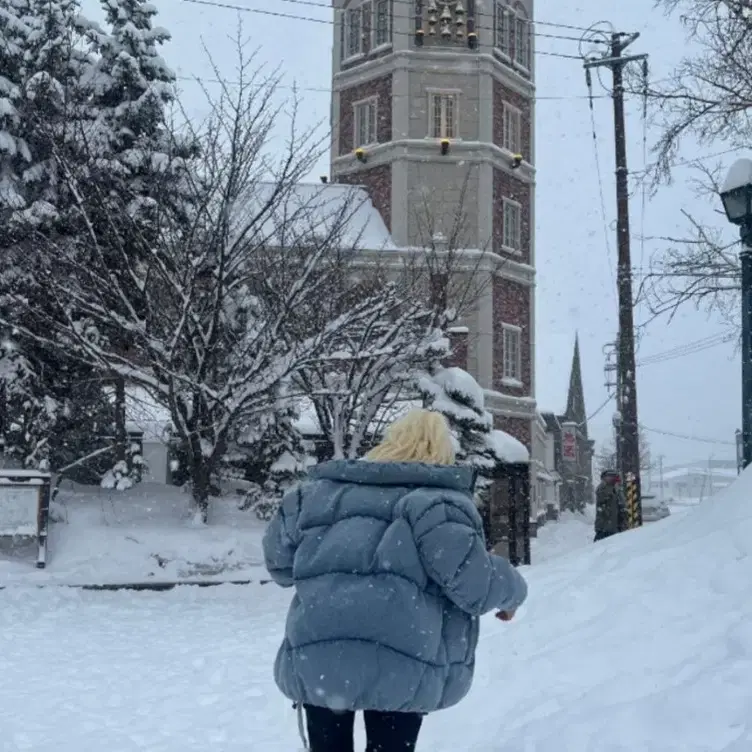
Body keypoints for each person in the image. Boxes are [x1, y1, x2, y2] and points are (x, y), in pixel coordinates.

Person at [262, 409, 528, 752]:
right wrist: (513, 593)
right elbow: (475, 583)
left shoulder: (314, 496)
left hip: (321, 657)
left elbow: (278, 564)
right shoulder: (437, 505)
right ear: (441, 451)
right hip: (401, 663)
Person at [594, 469, 627, 541]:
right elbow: (602, 497)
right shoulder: (602, 487)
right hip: (604, 527)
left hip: (617, 526)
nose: (612, 479)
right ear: (604, 478)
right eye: (609, 477)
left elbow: (623, 503)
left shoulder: (617, 489)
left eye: (613, 476)